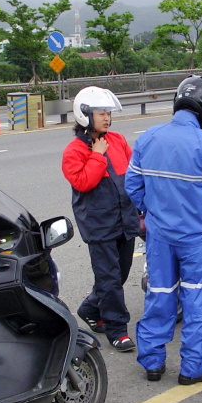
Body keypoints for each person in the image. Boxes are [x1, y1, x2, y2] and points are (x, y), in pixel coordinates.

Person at [126, 75, 202, 384]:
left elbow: (133, 186)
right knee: (197, 299)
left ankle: (153, 363)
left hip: (159, 234)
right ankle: (193, 369)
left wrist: (154, 208)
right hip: (195, 236)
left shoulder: (148, 137)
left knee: (159, 294)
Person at [61, 86, 141, 352]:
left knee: (120, 274)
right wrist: (96, 154)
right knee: (109, 278)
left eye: (108, 112)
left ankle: (89, 309)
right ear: (85, 115)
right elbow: (83, 182)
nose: (106, 117)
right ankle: (117, 330)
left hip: (124, 219)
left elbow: (133, 175)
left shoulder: (117, 140)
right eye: (100, 113)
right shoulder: (74, 151)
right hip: (99, 224)